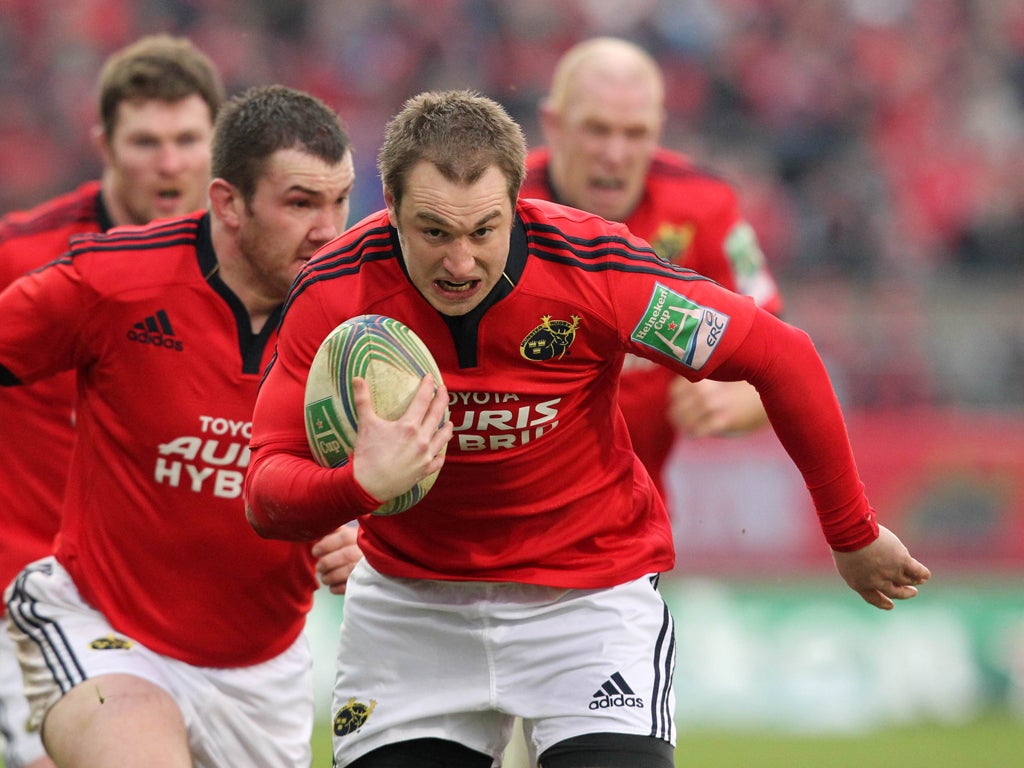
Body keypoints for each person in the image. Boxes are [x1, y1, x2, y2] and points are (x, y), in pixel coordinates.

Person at [244, 89, 931, 768]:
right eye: (434, 232)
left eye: (484, 230)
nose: (460, 263)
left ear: (517, 203)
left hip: (587, 602)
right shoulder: (333, 292)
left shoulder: (595, 270)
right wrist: (357, 484)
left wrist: (852, 532)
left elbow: (782, 357)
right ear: (390, 207)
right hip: (412, 611)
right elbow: (265, 489)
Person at [0, 84, 356, 768]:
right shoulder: (115, 281)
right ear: (228, 202)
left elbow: (413, 470)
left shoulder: (360, 319)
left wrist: (363, 531)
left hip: (262, 671)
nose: (327, 229)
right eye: (300, 203)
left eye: (339, 201)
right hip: (104, 629)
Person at [0, 34, 223, 768]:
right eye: (145, 142)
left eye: (187, 140)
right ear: (104, 144)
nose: (170, 164)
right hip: (38, 592)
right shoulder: (21, 257)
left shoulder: (245, 271)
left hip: (183, 606)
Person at [520, 36, 783, 501]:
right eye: (597, 130)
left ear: (658, 131)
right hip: (498, 506)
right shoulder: (497, 207)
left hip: (631, 514)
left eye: (635, 133)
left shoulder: (704, 206)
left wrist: (741, 399)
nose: (616, 154)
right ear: (553, 125)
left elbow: (775, 360)